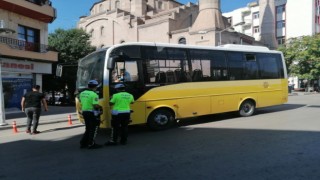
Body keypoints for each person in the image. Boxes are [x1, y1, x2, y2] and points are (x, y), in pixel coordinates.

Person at [79, 80, 103, 149]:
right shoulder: (94, 94)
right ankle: (91, 144)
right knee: (93, 128)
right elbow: (95, 105)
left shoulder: (82, 93)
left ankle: (83, 143)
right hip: (91, 113)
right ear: (95, 87)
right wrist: (100, 107)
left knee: (88, 128)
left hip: (84, 112)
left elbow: (81, 102)